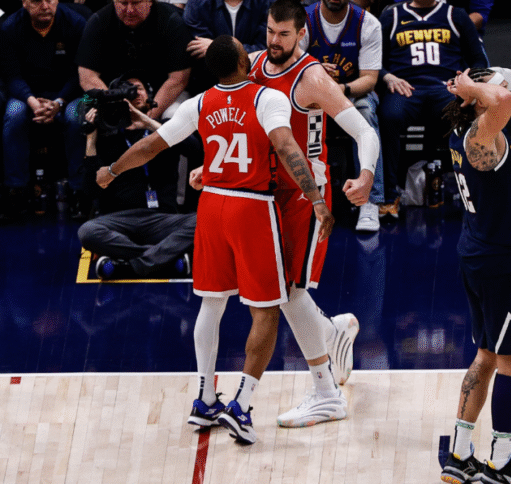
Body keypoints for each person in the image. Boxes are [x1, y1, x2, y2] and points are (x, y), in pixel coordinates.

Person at [96, 34, 335, 445]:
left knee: (212, 303)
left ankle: (205, 399)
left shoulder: (199, 102)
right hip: (251, 207)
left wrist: (112, 170)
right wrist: (316, 198)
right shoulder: (267, 98)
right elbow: (286, 147)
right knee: (267, 311)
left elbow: (152, 145)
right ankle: (241, 405)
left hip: (211, 206)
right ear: (244, 62)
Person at [247, 0, 378, 428]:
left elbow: (364, 131)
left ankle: (327, 394)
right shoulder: (255, 64)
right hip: (265, 191)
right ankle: (332, 332)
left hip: (306, 194)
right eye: (270, 31)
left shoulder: (313, 77)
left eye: (284, 34)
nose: (275, 41)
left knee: (289, 291)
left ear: (301, 34)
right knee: (279, 291)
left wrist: (366, 174)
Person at [439, 67, 511, 484]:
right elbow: (505, 100)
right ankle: (501, 463)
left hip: (476, 252)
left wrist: (471, 91)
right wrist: (474, 88)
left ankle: (459, 453)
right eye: (491, 88)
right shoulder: (480, 135)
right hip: (500, 261)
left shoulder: (462, 131)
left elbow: (501, 97)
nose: (499, 92)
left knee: (486, 355)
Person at [78, 76, 196, 280]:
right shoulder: (107, 135)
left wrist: (147, 122)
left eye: (138, 88)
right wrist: (91, 139)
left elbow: (195, 149)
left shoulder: (165, 127)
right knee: (88, 231)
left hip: (163, 219)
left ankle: (127, 265)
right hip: (121, 221)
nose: (134, 93)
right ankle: (163, 259)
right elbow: (91, 189)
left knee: (205, 222)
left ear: (149, 96)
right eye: (126, 89)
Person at [377, 0, 488, 218]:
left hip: (445, 87)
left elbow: (478, 60)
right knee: (388, 116)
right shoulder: (392, 16)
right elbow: (372, 61)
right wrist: (387, 77)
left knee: (467, 114)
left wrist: (465, 82)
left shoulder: (456, 15)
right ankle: (389, 195)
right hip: (405, 88)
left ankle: (474, 190)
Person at [301, 0, 385, 231]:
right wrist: (316, 74)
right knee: (294, 112)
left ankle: (370, 201)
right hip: (312, 91)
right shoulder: (303, 20)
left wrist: (339, 90)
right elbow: (292, 69)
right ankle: (303, 196)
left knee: (366, 112)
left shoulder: (368, 23)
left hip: (352, 93)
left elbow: (369, 79)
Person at [1, 0, 87, 219]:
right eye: (37, 1)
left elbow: (79, 74)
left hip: (68, 94)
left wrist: (59, 102)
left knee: (76, 118)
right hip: (27, 94)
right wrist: (32, 101)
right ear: (24, 2)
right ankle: (16, 191)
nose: (45, 5)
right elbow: (12, 76)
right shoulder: (10, 28)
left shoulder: (76, 24)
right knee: (14, 115)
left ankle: (79, 191)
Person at [76, 0, 193, 121]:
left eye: (136, 3)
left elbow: (178, 79)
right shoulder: (98, 21)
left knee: (175, 116)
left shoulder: (171, 21)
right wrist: (115, 109)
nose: (130, 10)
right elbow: (87, 77)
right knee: (76, 116)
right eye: (124, 3)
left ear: (150, 2)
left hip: (162, 94)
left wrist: (147, 118)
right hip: (111, 94)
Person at [182, 0, 270, 93]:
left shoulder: (267, 3)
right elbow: (198, 49)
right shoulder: (197, 4)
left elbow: (265, 48)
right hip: (207, 85)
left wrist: (218, 47)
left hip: (256, 83)